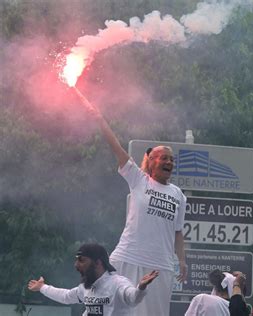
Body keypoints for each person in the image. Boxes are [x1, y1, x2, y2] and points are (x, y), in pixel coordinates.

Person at [74, 88, 187, 316]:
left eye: (172, 160)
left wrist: (181, 261)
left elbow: (177, 232)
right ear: (152, 161)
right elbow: (117, 148)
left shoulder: (178, 194)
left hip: (160, 264)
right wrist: (100, 120)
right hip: (128, 256)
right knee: (109, 308)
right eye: (164, 158)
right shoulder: (139, 180)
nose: (169, 162)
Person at [27, 243, 159, 316]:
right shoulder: (85, 287)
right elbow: (65, 296)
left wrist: (141, 288)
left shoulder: (118, 283)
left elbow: (133, 298)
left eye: (82, 260)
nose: (76, 265)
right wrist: (42, 287)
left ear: (98, 263)